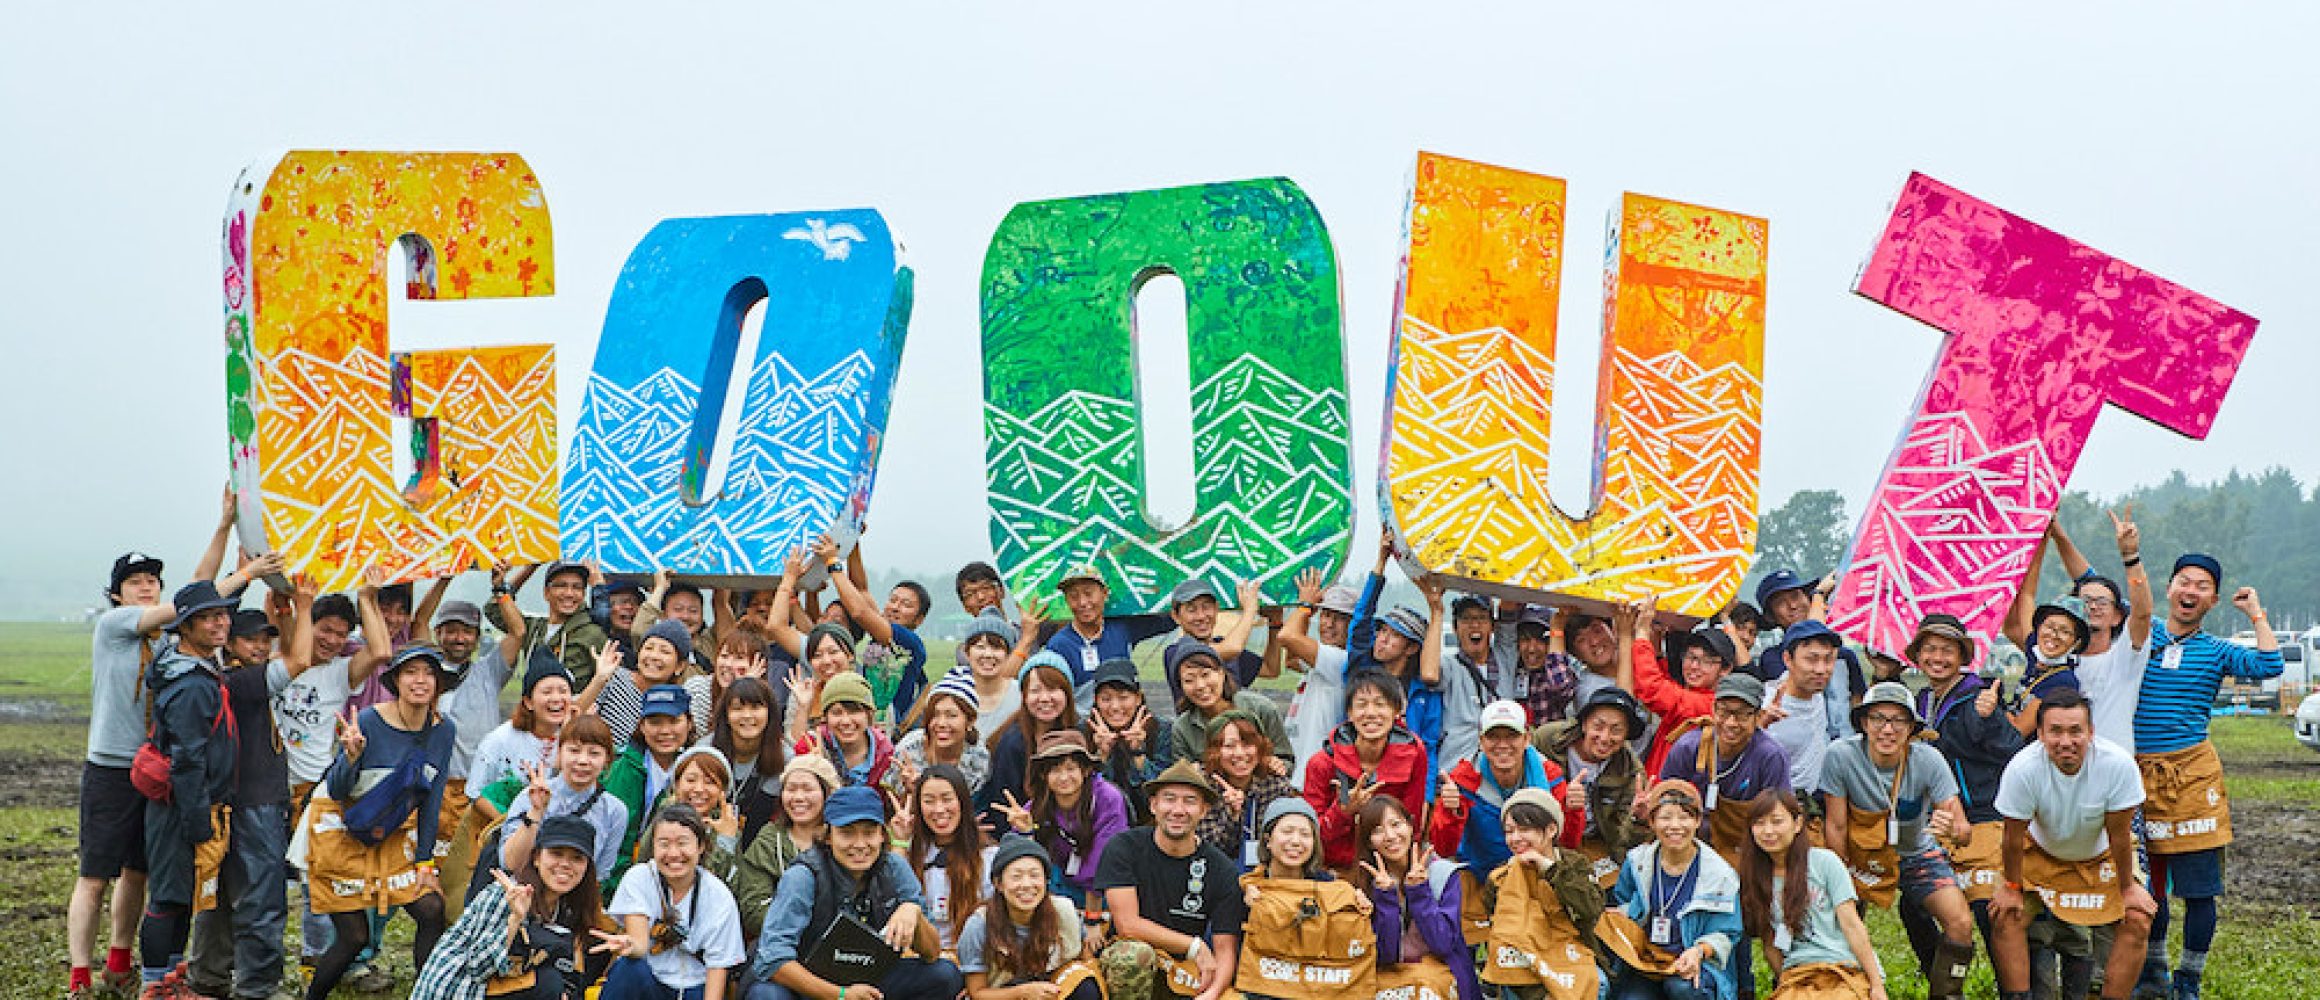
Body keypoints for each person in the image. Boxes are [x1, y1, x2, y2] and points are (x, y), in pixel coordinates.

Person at [2129, 554, 2279, 1000]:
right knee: (2149, 884)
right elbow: (2096, 595)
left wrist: (2255, 613)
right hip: (2138, 775)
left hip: (2193, 777)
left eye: (2202, 586)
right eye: (2184, 581)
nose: (2190, 591)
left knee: (2199, 890)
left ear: (2213, 600)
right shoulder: (2143, 632)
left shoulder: (2216, 650)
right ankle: (2153, 973)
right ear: (2169, 588)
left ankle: (2188, 981)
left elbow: (2270, 665)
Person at [303, 645, 460, 1000]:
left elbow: (432, 798)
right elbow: (338, 789)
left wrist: (424, 860)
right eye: (411, 672)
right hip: (340, 826)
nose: (420, 681)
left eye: (429, 673)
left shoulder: (443, 730)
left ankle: (427, 994)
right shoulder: (369, 720)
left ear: (439, 684)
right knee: (354, 936)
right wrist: (351, 756)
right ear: (396, 681)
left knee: (431, 908)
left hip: (390, 830)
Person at [185, 577, 314, 1000]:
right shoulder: (242, 682)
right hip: (255, 804)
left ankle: (209, 977)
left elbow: (287, 651)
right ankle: (257, 987)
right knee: (262, 897)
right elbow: (299, 659)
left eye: (264, 639)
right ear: (229, 643)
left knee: (223, 894)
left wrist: (283, 611)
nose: (260, 647)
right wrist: (305, 606)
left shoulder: (227, 676)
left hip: (232, 802)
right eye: (249, 640)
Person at [1993, 689, 2155, 1000]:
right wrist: (2011, 887)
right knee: (2005, 914)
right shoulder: (2022, 768)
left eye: (2075, 731)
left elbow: (2120, 835)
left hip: (2102, 854)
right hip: (2039, 852)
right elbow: (2012, 837)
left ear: (2091, 732)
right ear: (2040, 734)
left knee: (2137, 917)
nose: (2065, 742)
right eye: (2055, 731)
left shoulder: (2118, 765)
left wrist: (2128, 888)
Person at [1818, 682, 1976, 1000]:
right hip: (1860, 855)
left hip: (1916, 854)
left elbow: (1963, 828)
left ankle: (1948, 993)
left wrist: (1952, 830)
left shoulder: (1928, 759)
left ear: (1912, 728)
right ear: (1864, 722)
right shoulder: (1840, 756)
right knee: (1837, 921)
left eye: (1898, 720)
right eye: (1878, 718)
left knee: (1960, 921)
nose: (1888, 730)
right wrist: (1839, 875)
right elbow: (1835, 825)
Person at [747, 786, 961, 1000]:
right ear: (828, 836)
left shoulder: (894, 867)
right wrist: (841, 995)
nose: (860, 845)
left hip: (870, 975)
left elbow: (932, 953)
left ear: (882, 835)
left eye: (869, 832)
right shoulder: (802, 876)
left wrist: (913, 912)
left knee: (945, 975)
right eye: (847, 833)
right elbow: (772, 961)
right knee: (766, 994)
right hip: (809, 982)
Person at [135, 581, 243, 998]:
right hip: (182, 808)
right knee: (167, 897)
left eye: (222, 615)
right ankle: (154, 987)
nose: (220, 624)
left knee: (181, 896)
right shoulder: (193, 685)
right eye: (208, 618)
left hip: (185, 803)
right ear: (185, 627)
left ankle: (172, 982)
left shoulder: (189, 668)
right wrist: (199, 822)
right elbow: (187, 759)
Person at [1906, 613, 2021, 972]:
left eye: (1947, 651)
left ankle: (2013, 990)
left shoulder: (1978, 695)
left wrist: (1990, 718)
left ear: (1962, 656)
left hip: (1981, 816)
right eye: (1930, 649)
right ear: (1918, 655)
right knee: (1914, 905)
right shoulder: (1921, 700)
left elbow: (2011, 749)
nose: (1937, 658)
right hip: (1937, 820)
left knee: (1987, 911)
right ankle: (1942, 981)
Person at [412, 816, 615, 1000]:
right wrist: (515, 919)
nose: (565, 864)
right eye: (556, 854)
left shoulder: (568, 907)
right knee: (548, 983)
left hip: (503, 987)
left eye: (577, 858)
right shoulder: (506, 893)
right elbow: (477, 967)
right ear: (536, 858)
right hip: (459, 990)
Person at [1091, 761, 1246, 1000]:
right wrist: (1193, 946)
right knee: (1133, 956)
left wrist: (1213, 994)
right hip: (1130, 961)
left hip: (1185, 970)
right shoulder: (1124, 847)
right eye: (1169, 799)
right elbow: (1127, 925)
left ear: (1204, 810)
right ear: (1153, 805)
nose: (1178, 810)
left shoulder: (1222, 869)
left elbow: (1225, 949)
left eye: (1190, 801)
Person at [1736, 792, 1887, 1000]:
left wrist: (1876, 985)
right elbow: (1769, 942)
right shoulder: (1754, 877)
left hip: (1844, 968)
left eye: (1777, 821)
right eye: (1759, 823)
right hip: (1798, 975)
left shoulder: (1825, 863)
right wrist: (1784, 984)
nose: (1768, 831)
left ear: (1797, 824)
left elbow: (1852, 925)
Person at [1603, 782, 1743, 1000]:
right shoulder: (1637, 862)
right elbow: (1625, 899)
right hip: (1646, 959)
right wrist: (1623, 914)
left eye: (1685, 817)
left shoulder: (1720, 874)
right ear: (1652, 822)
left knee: (1682, 989)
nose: (1675, 826)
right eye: (1665, 817)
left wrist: (1699, 951)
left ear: (1698, 821)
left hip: (1695, 960)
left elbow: (1727, 932)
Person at [597, 804, 749, 1000]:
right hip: (649, 978)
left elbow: (717, 968)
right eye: (664, 844)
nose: (673, 853)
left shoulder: (718, 896)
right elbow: (640, 944)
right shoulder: (639, 878)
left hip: (693, 986)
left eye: (682, 843)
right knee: (628, 967)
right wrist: (630, 945)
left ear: (701, 846)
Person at [1477, 787, 1604, 1000]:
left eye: (1524, 829)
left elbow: (1591, 910)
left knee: (1597, 984)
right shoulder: (1500, 876)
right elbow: (1500, 934)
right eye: (1509, 831)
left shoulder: (1575, 864)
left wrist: (1550, 870)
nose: (1515, 838)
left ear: (1551, 829)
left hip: (1570, 955)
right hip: (1520, 963)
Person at [1352, 796, 1477, 1000]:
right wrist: (1385, 897)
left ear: (1410, 826)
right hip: (1392, 979)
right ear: (1369, 842)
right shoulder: (1366, 884)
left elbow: (1443, 943)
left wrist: (1419, 891)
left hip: (1441, 975)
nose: (1390, 836)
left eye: (1396, 824)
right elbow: (1386, 955)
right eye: (1378, 830)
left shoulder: (1442, 874)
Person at [1657, 674, 1790, 865]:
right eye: (1724, 712)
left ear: (1758, 716)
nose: (1731, 723)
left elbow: (1779, 817)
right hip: (1689, 843)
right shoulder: (1688, 747)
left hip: (1748, 849)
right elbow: (1665, 801)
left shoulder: (1771, 756)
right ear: (1713, 710)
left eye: (1742, 715)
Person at [1303, 671, 1430, 871]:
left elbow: (1411, 822)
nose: (1371, 713)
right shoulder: (1322, 763)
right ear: (1349, 713)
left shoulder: (1414, 753)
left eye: (1380, 704)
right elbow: (1311, 835)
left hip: (1389, 865)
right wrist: (1342, 811)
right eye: (1361, 705)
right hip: (1335, 868)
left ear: (1397, 711)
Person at [1529, 685, 1650, 889]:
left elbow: (1623, 842)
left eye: (1616, 730)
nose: (1605, 737)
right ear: (1584, 723)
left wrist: (1638, 821)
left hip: (1595, 844)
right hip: (1544, 836)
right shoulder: (1547, 740)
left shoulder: (1630, 771)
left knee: (1598, 890)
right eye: (1598, 726)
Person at [810, 537, 934, 728]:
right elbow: (861, 589)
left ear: (919, 619)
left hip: (888, 728)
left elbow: (859, 612)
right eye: (893, 600)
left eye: (906, 604)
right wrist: (853, 539)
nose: (895, 607)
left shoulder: (909, 642)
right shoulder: (881, 628)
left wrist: (833, 563)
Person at [1430, 698, 1565, 872]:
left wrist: (1574, 810)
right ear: (1481, 741)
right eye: (1493, 736)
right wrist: (1450, 812)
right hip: (1482, 874)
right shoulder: (1463, 780)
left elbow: (1568, 842)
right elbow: (1444, 849)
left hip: (1538, 871)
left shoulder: (1550, 776)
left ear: (1526, 739)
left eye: (1512, 736)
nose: (1502, 745)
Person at [493, 714, 630, 887]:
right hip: (523, 891)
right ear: (559, 753)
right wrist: (536, 812)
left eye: (594, 753)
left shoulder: (615, 811)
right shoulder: (532, 795)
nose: (582, 761)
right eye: (574, 751)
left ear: (607, 759)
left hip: (576, 896)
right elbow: (510, 863)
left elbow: (600, 874)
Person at [958, 836, 1098, 1000]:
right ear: (998, 884)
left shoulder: (1064, 911)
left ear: (1046, 881)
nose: (1026, 885)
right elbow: (977, 992)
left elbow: (1085, 964)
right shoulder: (979, 924)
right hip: (1004, 993)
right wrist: (1022, 992)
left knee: (1086, 987)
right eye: (1016, 876)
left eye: (1034, 875)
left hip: (1054, 989)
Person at [996, 731, 1129, 904]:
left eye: (1071, 768)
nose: (1064, 777)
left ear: (1085, 770)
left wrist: (1091, 915)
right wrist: (1026, 832)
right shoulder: (1038, 804)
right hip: (1057, 885)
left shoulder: (1108, 799)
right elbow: (1019, 857)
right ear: (1043, 775)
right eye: (1055, 770)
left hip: (1104, 886)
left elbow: (1103, 857)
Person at [730, 753, 840, 936]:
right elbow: (753, 907)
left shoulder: (841, 839)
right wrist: (796, 930)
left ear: (827, 793)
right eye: (791, 789)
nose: (798, 797)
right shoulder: (770, 840)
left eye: (807, 789)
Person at [604, 685, 699, 884]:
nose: (665, 731)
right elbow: (616, 841)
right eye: (655, 722)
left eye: (674, 721)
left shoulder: (696, 767)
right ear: (642, 726)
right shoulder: (625, 768)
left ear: (689, 723)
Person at [1273, 569, 1358, 785]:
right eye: (1326, 615)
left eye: (1340, 619)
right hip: (1299, 769)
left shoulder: (1341, 661)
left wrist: (1305, 606)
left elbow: (1287, 636)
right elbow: (1292, 659)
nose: (1329, 624)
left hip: (1312, 776)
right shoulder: (1324, 660)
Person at [1631, 614, 1740, 781]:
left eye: (1706, 661)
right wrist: (1656, 640)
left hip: (1675, 795)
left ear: (1725, 669)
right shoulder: (1692, 695)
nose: (1694, 666)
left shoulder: (1711, 706)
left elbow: (1653, 689)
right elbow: (1664, 680)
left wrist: (1642, 634)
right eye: (1691, 657)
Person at [898, 765, 995, 953]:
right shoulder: (911, 851)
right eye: (929, 801)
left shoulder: (987, 855)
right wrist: (899, 841)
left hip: (970, 956)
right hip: (919, 956)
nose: (939, 809)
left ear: (962, 801)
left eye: (947, 799)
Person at [980, 652, 1083, 827]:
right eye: (1035, 690)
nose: (1045, 698)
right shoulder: (1012, 744)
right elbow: (1003, 807)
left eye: (1052, 689)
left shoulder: (1082, 733)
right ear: (1024, 696)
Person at [1192, 712, 1301, 871]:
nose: (1240, 754)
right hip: (1213, 872)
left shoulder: (1274, 784)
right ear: (1215, 751)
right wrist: (1232, 816)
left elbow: (1283, 841)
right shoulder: (1202, 785)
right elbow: (1207, 849)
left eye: (1247, 744)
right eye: (1229, 746)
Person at [1746, 569, 1859, 722]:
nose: (1793, 605)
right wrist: (1818, 596)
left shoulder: (1845, 655)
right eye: (1781, 602)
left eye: (1796, 596)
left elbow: (1857, 700)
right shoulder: (1773, 658)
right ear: (1771, 616)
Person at [1043, 564, 1175, 689]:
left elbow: (1169, 621)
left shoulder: (1122, 628)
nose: (1082, 602)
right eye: (1073, 596)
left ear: (1105, 594)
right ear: (1066, 600)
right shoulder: (1059, 645)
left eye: (1088, 593)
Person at [1165, 639, 1290, 768]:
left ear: (1221, 673)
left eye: (1205, 675)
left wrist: (1276, 765)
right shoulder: (1182, 728)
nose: (1200, 686)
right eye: (1189, 680)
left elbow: (1286, 759)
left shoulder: (1262, 709)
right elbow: (1181, 773)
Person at [1758, 621, 1847, 799]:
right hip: (1776, 804)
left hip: (1813, 801)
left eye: (1828, 659)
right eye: (1811, 659)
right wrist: (1759, 727)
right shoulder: (1768, 705)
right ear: (1787, 659)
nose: (1821, 670)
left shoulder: (1817, 696)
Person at [469, 652, 578, 798]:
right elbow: (475, 793)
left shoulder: (576, 740)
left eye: (563, 691)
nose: (556, 698)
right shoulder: (500, 740)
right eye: (547, 692)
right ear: (528, 702)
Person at [490, 561, 612, 692]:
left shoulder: (593, 633)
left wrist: (598, 586)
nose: (569, 593)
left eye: (577, 587)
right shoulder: (534, 628)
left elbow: (609, 684)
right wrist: (528, 569)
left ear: (583, 594)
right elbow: (495, 609)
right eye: (561, 586)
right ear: (546, 592)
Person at [1143, 578, 1268, 702]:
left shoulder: (1221, 643)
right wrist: (1250, 610)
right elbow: (1233, 648)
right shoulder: (1176, 652)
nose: (1201, 616)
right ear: (1176, 616)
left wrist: (1274, 623)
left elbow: (1269, 668)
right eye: (1191, 610)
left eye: (1206, 607)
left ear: (1216, 608)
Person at [1080, 659, 1169, 824]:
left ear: (1138, 698)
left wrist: (1138, 753)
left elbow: (1164, 791)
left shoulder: (1161, 730)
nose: (1115, 707)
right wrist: (1102, 756)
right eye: (1106, 699)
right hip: (1099, 823)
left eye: (1123, 698)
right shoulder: (1083, 733)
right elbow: (1084, 796)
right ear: (1096, 700)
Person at [586, 619, 694, 749]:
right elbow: (575, 714)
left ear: (680, 666)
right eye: (649, 648)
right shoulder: (614, 677)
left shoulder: (677, 699)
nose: (654, 656)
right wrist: (599, 679)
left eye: (664, 651)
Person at [709, 676, 790, 848]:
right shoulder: (707, 751)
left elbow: (762, 813)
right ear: (726, 715)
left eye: (755, 707)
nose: (747, 715)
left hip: (759, 842)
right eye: (737, 708)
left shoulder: (784, 756)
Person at [893, 669, 991, 798]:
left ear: (970, 721)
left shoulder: (978, 757)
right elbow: (890, 803)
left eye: (951, 715)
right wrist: (910, 791)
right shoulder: (909, 750)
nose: (941, 723)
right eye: (935, 715)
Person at [792, 672, 895, 791]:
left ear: (869, 715)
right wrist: (818, 768)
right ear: (825, 717)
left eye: (854, 711)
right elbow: (797, 745)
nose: (846, 721)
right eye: (837, 713)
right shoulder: (814, 745)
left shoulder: (884, 752)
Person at [1498, 604, 1582, 733]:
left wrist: (1556, 629)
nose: (1532, 649)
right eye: (1525, 639)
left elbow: (1562, 688)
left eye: (1541, 640)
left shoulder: (1561, 669)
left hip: (1550, 743)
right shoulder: (1512, 668)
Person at [689, 627, 773, 742]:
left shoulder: (766, 698)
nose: (728, 664)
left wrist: (747, 688)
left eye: (739, 658)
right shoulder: (698, 689)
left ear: (760, 665)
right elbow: (708, 742)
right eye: (724, 656)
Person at [959, 616, 1026, 740]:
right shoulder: (954, 694)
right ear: (967, 653)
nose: (988, 654)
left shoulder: (1022, 695)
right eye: (980, 647)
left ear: (1008, 654)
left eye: (996, 648)